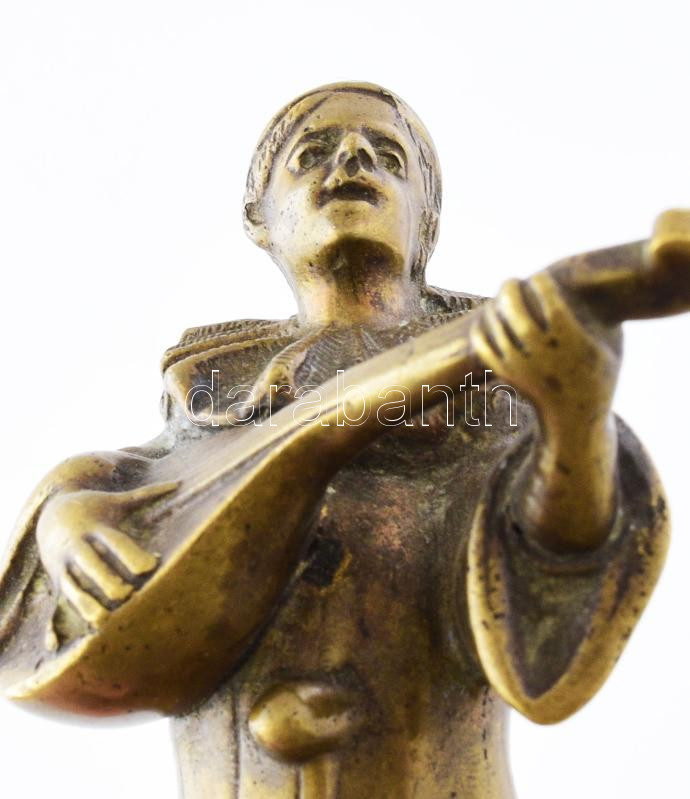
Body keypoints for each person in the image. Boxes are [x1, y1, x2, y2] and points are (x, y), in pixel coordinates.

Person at [0, 82, 683, 798]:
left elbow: (552, 581)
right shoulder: (215, 391)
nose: (352, 157)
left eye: (388, 155)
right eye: (310, 153)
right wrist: (64, 518)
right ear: (259, 218)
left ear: (427, 219)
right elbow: (132, 478)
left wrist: (576, 418)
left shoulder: (494, 395)